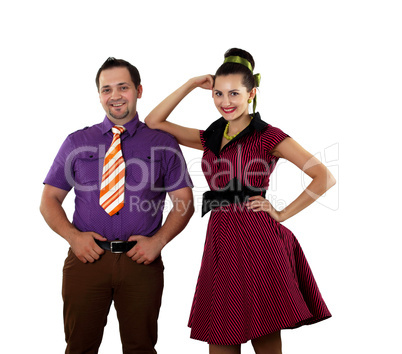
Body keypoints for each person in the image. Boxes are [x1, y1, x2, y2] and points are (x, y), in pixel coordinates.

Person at [144, 48, 336, 354]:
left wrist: (283, 213)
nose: (225, 101)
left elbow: (323, 177)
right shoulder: (209, 137)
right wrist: (192, 83)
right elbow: (154, 122)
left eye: (234, 93)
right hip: (220, 238)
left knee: (263, 332)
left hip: (258, 239)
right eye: (218, 93)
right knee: (220, 334)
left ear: (251, 93)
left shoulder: (268, 137)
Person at [40, 57, 194, 354]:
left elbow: (183, 201)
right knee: (79, 346)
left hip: (142, 262)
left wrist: (158, 242)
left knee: (141, 347)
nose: (115, 96)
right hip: (87, 259)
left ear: (138, 90)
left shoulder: (162, 143)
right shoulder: (76, 142)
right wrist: (74, 238)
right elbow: (49, 200)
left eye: (122, 87)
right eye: (106, 89)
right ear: (99, 95)